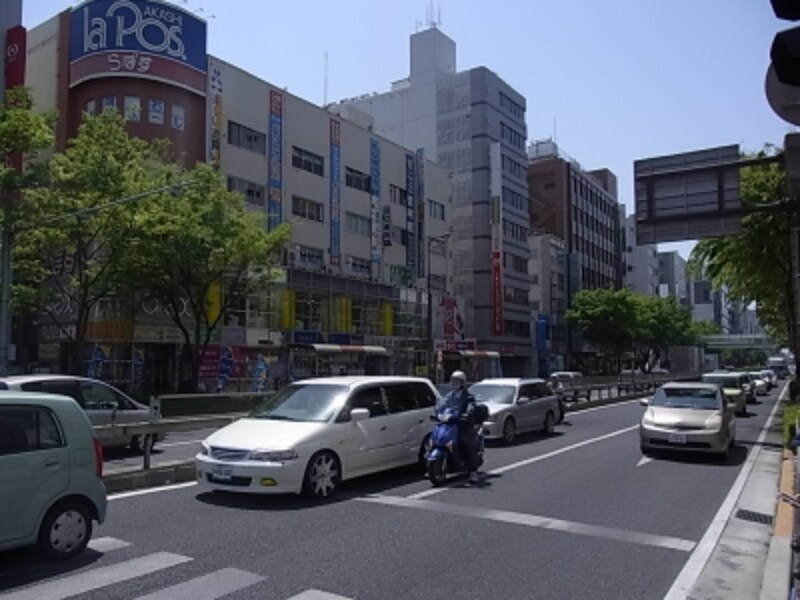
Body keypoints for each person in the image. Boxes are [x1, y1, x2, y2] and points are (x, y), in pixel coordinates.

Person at [439, 370, 480, 483]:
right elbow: (442, 404)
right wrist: (437, 412)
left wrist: (467, 413)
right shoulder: (449, 395)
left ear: (462, 383)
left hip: (463, 423)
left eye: (457, 381)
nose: (454, 383)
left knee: (466, 443)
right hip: (451, 423)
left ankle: (473, 471)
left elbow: (471, 406)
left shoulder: (468, 395)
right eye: (453, 381)